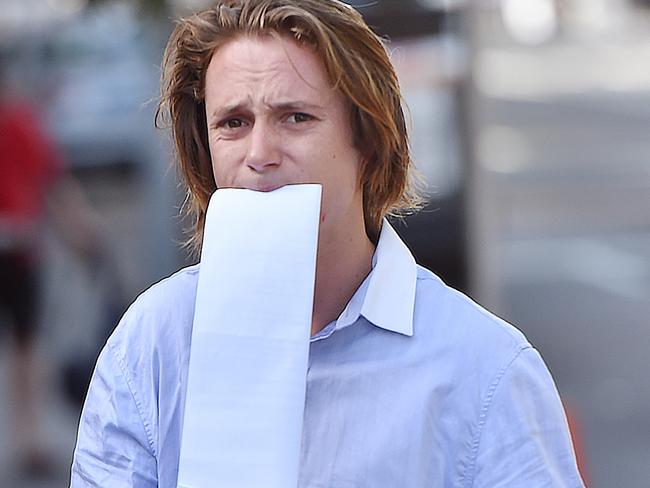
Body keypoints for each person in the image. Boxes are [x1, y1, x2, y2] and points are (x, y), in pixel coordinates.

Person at [71, 1, 585, 486]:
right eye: (233, 123)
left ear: (368, 142)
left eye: (296, 117)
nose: (260, 153)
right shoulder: (153, 344)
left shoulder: (484, 368)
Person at [0, 61, 103, 477]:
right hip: (21, 249)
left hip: (22, 252)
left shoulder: (24, 124)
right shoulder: (23, 123)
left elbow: (52, 184)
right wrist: (83, 236)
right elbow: (56, 187)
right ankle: (31, 437)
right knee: (27, 349)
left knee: (27, 348)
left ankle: (31, 437)